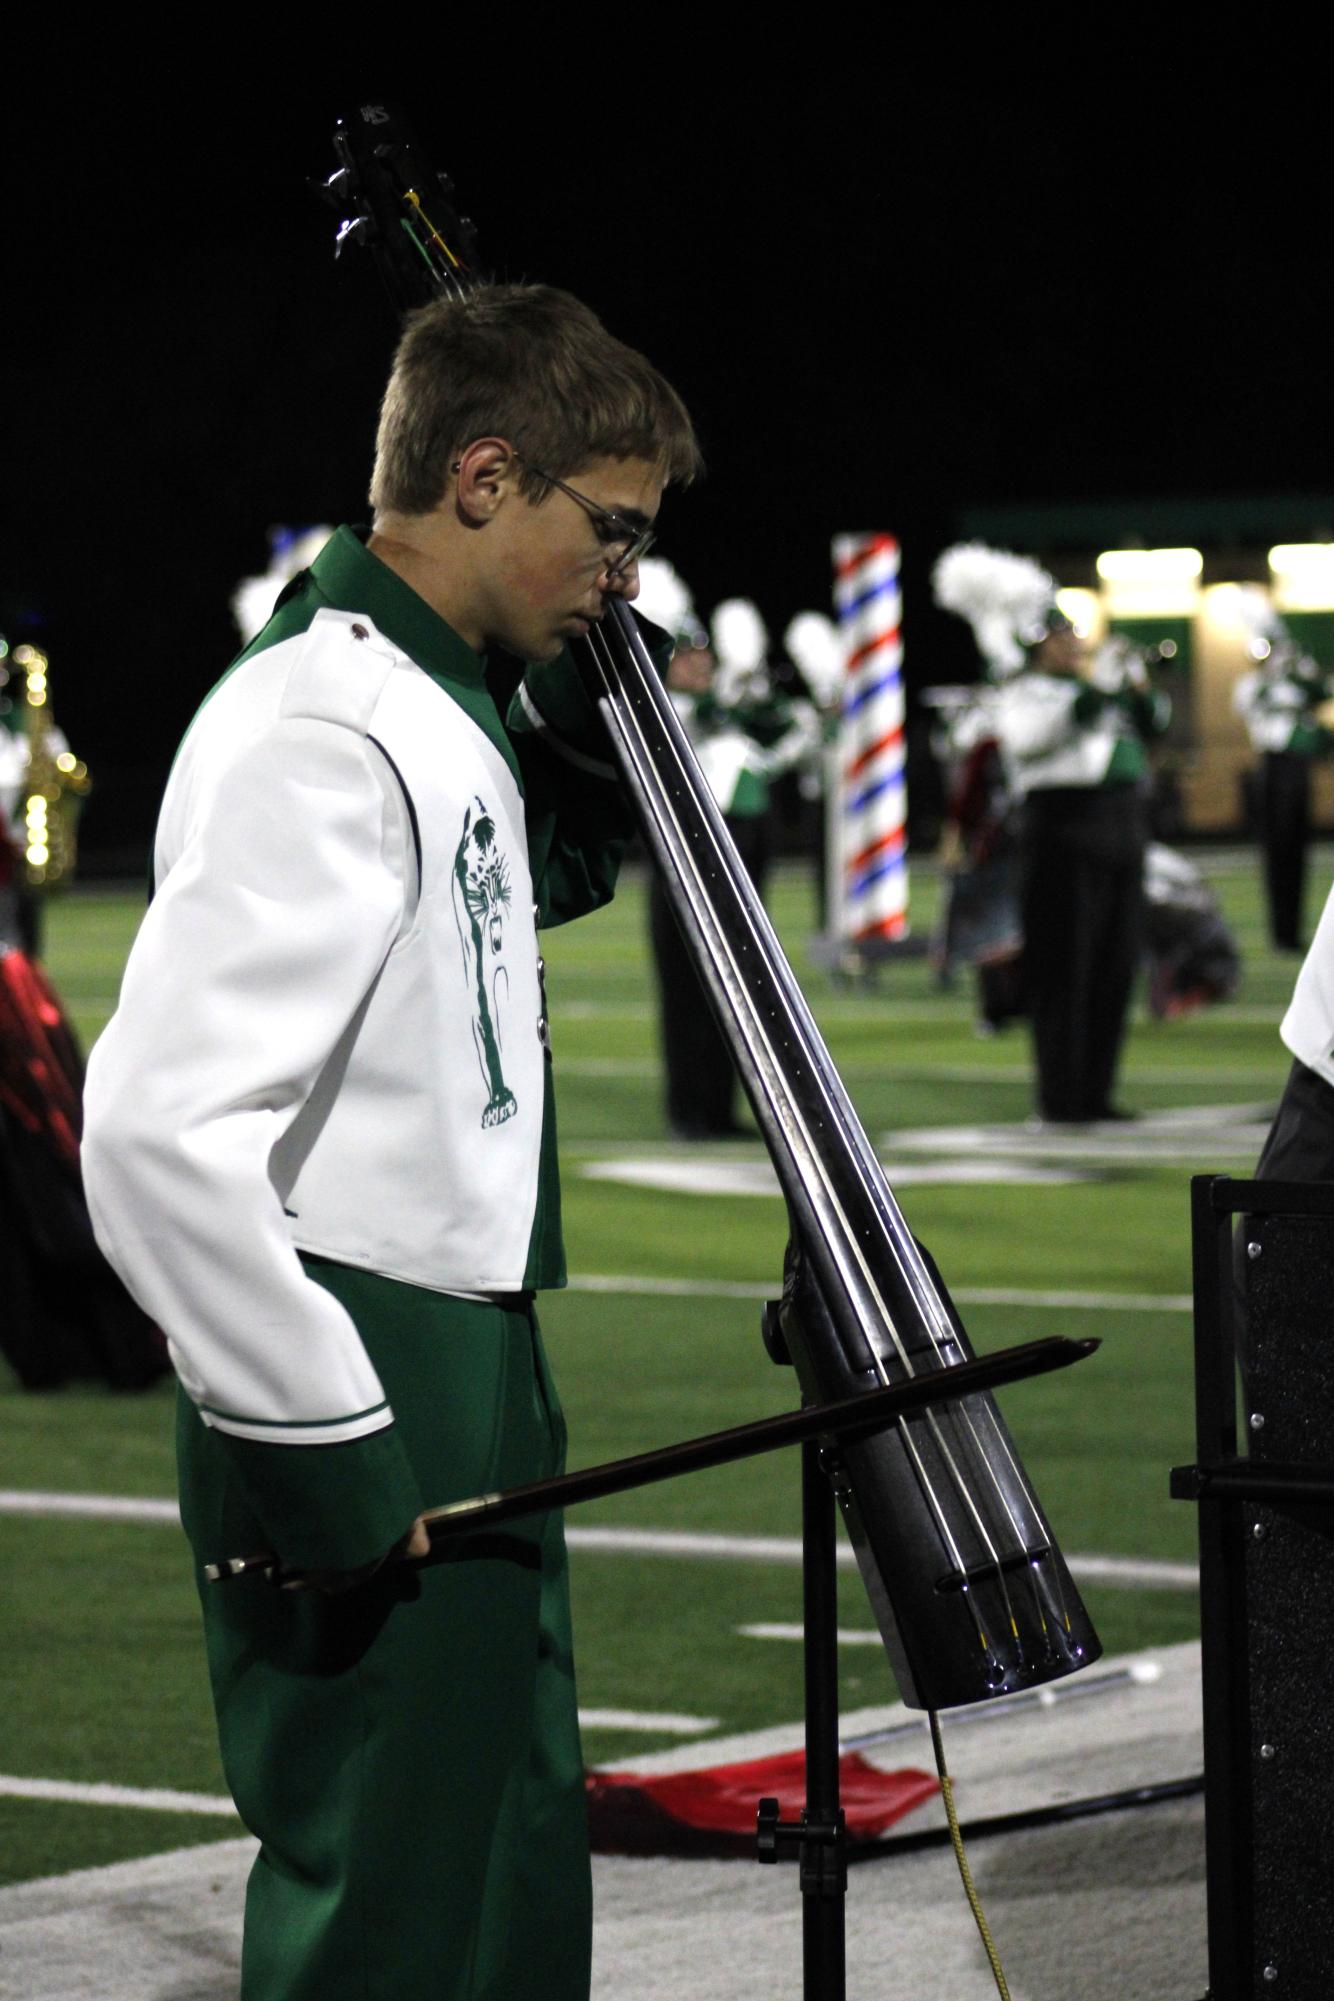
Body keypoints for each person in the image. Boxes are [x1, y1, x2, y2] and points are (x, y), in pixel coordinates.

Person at [81, 282, 701, 2001]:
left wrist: (587, 765)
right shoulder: (322, 724)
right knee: (392, 1904)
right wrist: (320, 1421)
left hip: (465, 1336)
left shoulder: (438, 707)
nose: (622, 577)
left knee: (498, 1865)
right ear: (487, 477)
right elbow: (152, 1127)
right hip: (364, 1349)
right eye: (611, 530)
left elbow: (484, 924)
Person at [1233, 619, 1332, 952]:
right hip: (1271, 767)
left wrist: (1300, 668)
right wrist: (1275, 674)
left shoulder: (1293, 682)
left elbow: (1322, 693)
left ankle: (1292, 931)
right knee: (1275, 851)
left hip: (1297, 767)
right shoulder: (1251, 684)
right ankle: (1279, 932)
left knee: (1298, 851)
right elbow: (1247, 704)